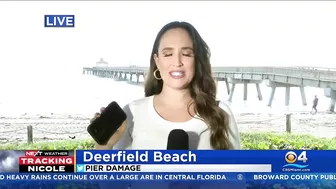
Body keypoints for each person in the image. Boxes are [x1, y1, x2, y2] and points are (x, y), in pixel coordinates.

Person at [95, 21, 241, 150]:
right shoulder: (132, 113)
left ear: (197, 61)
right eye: (168, 54)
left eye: (186, 54)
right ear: (157, 61)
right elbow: (113, 181)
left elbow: (238, 178)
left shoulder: (221, 113)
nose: (177, 62)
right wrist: (104, 145)